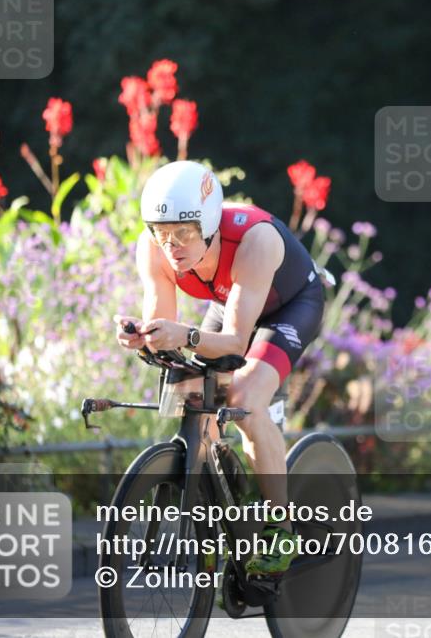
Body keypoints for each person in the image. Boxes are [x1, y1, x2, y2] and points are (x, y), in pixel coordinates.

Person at [114, 161, 325, 576]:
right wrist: (143, 335)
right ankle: (225, 507)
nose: (170, 245)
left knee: (245, 398)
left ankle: (280, 529)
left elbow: (234, 342)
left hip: (290, 306)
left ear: (208, 225)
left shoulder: (254, 239)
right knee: (191, 399)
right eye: (161, 232)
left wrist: (186, 336)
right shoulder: (153, 247)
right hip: (231, 305)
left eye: (183, 233)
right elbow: (162, 322)